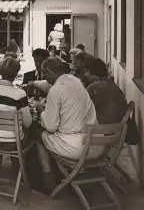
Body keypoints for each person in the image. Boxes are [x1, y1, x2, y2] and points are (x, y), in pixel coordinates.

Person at [36, 57, 100, 193]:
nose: (44, 76)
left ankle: (49, 179)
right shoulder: (76, 81)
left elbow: (51, 126)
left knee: (37, 134)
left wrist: (41, 111)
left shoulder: (56, 90)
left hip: (76, 149)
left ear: (50, 71)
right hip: (95, 144)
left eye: (44, 73)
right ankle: (68, 172)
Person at [0, 57, 32, 144]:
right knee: (33, 135)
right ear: (16, 74)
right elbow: (28, 123)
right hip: (13, 143)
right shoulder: (19, 94)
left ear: (0, 72)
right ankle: (20, 157)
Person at [84, 57, 127, 124]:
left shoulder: (93, 88)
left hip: (104, 126)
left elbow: (83, 106)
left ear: (94, 73)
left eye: (86, 71)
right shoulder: (111, 83)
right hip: (118, 124)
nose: (85, 74)